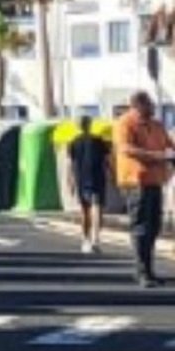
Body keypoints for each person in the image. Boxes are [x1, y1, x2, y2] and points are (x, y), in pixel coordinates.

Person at [112, 91, 172, 287]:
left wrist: (169, 156)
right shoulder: (125, 123)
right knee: (140, 228)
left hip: (155, 181)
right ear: (137, 107)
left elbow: (169, 147)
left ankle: (148, 269)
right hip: (135, 182)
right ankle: (141, 272)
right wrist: (157, 156)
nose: (153, 109)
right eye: (149, 106)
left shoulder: (157, 125)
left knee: (154, 227)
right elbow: (125, 149)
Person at [67, 115, 111, 254]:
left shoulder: (73, 142)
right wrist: (114, 175)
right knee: (97, 209)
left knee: (85, 211)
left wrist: (71, 181)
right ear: (90, 124)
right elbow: (107, 161)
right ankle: (96, 240)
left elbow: (70, 165)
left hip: (82, 179)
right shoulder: (99, 140)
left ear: (78, 126)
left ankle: (85, 240)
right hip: (98, 178)